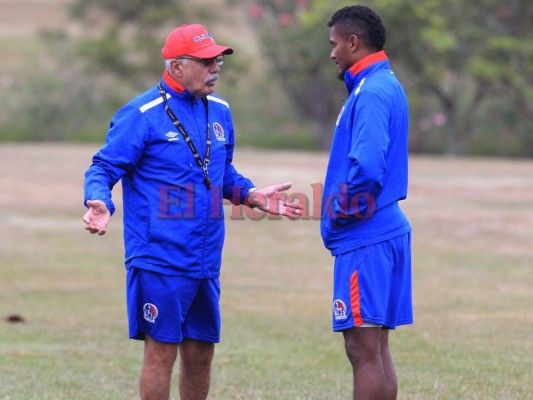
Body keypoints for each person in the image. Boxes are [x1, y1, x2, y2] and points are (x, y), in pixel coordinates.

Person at [83, 23, 302, 400]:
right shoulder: (140, 114)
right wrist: (100, 200)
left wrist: (248, 193)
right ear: (177, 66)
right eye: (205, 61)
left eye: (218, 59)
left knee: (201, 353)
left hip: (204, 258)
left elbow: (220, 171)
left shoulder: (220, 110)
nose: (215, 67)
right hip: (158, 256)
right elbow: (103, 167)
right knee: (161, 351)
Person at [321, 6, 413, 400]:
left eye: (335, 44)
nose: (332, 54)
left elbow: (370, 166)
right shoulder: (380, 82)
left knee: (363, 351)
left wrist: (340, 212)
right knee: (375, 350)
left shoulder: (372, 90)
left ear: (353, 43)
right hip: (383, 233)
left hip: (367, 239)